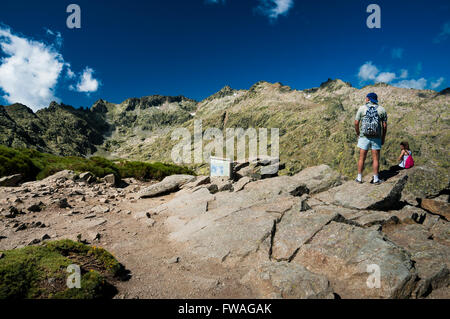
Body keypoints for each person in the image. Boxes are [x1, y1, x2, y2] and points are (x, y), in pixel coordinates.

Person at [354, 92, 388, 184]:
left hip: (364, 136)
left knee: (361, 158)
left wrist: (358, 133)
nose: (365, 99)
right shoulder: (382, 109)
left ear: (368, 99)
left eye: (366, 98)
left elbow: (356, 123)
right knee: (376, 159)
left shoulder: (362, 108)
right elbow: (384, 126)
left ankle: (359, 178)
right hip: (376, 137)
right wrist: (383, 137)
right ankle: (376, 179)